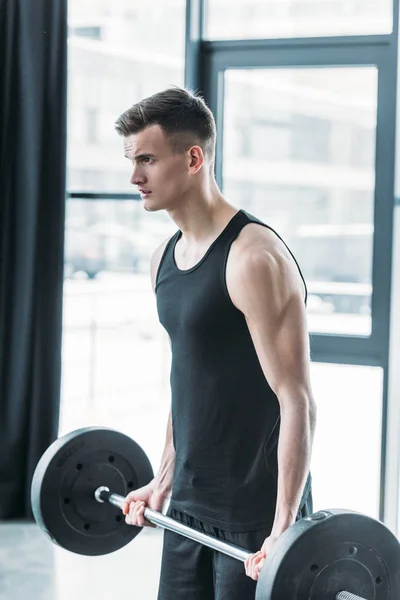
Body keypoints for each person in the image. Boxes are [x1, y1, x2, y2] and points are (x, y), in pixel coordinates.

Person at [114, 87, 317, 599]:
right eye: (131, 161)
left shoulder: (254, 257)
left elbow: (297, 399)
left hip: (252, 522)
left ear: (193, 158)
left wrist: (284, 529)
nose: (134, 177)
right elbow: (189, 380)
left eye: (146, 160)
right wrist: (163, 479)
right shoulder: (163, 257)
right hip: (187, 506)